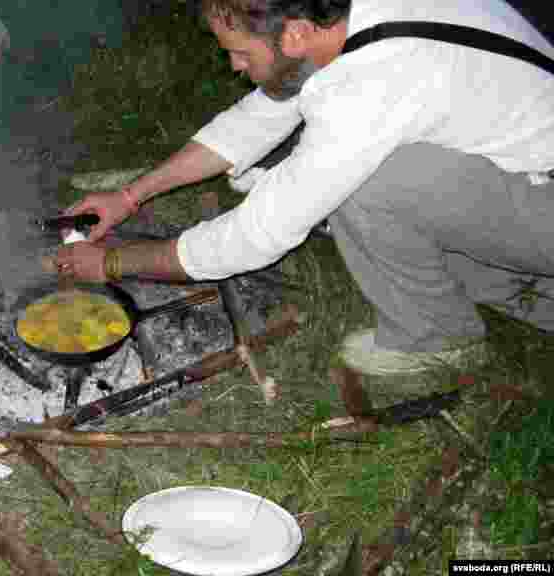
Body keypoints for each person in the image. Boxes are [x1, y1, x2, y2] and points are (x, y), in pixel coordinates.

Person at [55, 0, 554, 376]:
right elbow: (260, 117)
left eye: (238, 52)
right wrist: (129, 196)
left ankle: (440, 337)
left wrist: (115, 263)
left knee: (364, 187)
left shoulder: (370, 84)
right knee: (375, 169)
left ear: (293, 34)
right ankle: (512, 281)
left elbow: (257, 235)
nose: (232, 66)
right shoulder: (345, 18)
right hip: (522, 172)